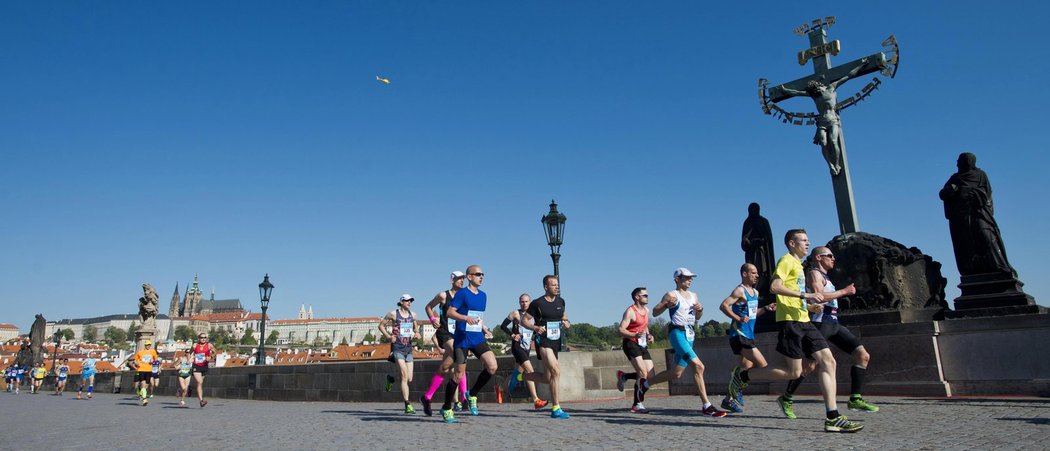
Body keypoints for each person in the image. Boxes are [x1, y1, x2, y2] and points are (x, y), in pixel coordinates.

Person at [728, 229, 863, 433]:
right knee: (794, 372)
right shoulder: (786, 261)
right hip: (790, 323)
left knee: (828, 361)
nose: (807, 244)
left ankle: (832, 417)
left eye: (809, 240)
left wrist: (809, 307)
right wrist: (804, 296)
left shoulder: (799, 266)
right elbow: (774, 287)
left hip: (804, 320)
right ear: (792, 243)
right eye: (804, 241)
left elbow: (793, 298)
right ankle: (743, 376)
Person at [777, 246, 878, 413]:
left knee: (863, 355)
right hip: (820, 324)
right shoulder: (813, 274)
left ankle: (855, 399)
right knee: (810, 366)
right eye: (829, 256)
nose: (833, 259)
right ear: (818, 258)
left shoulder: (826, 277)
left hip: (834, 323)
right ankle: (786, 397)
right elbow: (820, 296)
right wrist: (844, 291)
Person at [637, 268, 727, 417]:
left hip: (690, 334)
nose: (690, 280)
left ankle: (645, 384)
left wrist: (700, 309)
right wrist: (666, 305)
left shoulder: (694, 295)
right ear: (677, 279)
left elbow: (698, 317)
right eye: (686, 278)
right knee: (699, 366)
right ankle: (707, 406)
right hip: (677, 333)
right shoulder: (672, 294)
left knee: (676, 373)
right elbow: (654, 312)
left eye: (691, 278)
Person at [777, 60, 867, 176]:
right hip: (822, 122)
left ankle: (837, 164)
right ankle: (830, 165)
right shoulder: (814, 95)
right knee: (823, 144)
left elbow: (848, 76)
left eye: (817, 89)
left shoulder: (831, 88)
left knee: (834, 141)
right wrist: (784, 90)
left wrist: (861, 65)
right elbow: (796, 92)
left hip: (833, 120)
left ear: (820, 86)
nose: (816, 92)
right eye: (814, 91)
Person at [939, 152, 1015, 276]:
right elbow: (942, 194)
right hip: (961, 217)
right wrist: (951, 190)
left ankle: (1000, 265)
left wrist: (975, 194)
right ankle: (972, 270)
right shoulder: (955, 178)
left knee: (987, 236)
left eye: (959, 160)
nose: (957, 163)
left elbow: (987, 194)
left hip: (978, 212)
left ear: (968, 162)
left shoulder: (980, 175)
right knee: (966, 244)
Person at [441, 265, 498, 423]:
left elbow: (478, 316)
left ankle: (471, 394)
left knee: (492, 366)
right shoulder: (462, 294)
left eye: (483, 274)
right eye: (478, 274)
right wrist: (465, 318)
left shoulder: (483, 296)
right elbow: (450, 312)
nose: (482, 277)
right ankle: (446, 408)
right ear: (469, 277)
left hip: (477, 337)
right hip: (462, 339)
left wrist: (484, 328)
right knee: (458, 376)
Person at [718, 263, 775, 412]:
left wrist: (767, 309)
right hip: (739, 335)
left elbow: (752, 314)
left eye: (757, 273)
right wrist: (737, 317)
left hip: (749, 335)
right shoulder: (739, 291)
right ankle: (736, 386)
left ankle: (727, 400)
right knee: (762, 364)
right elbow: (724, 306)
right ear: (744, 274)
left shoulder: (755, 293)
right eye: (753, 273)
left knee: (746, 368)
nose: (756, 276)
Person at [521, 275, 573, 419]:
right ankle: (556, 408)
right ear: (546, 287)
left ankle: (524, 376)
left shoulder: (561, 301)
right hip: (542, 341)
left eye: (558, 285)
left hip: (555, 341)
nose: (557, 287)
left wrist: (567, 323)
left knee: (547, 377)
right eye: (553, 285)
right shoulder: (537, 303)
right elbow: (524, 320)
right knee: (556, 371)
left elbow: (564, 317)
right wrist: (535, 327)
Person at [420, 271, 467, 416]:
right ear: (452, 280)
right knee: (460, 356)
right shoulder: (443, 295)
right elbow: (428, 307)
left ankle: (427, 397)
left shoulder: (464, 296)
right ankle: (464, 397)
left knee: (445, 367)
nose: (461, 281)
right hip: (444, 332)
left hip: (458, 332)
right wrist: (433, 320)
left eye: (463, 279)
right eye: (459, 279)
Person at [499, 294, 548, 409]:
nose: (524, 303)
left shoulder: (534, 315)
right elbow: (503, 326)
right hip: (517, 346)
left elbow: (538, 328)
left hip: (527, 347)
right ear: (519, 302)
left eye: (526, 301)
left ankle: (501, 389)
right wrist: (512, 335)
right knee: (530, 371)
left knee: (517, 372)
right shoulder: (515, 313)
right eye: (522, 301)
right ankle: (536, 400)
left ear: (530, 302)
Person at [615, 287, 655, 413]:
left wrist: (649, 335)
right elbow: (621, 330)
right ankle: (637, 404)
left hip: (642, 344)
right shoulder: (630, 312)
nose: (647, 297)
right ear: (637, 297)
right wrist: (633, 335)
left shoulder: (646, 310)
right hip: (631, 343)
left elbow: (644, 326)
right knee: (642, 373)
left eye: (647, 295)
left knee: (651, 376)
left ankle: (624, 376)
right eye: (645, 295)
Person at [381, 294, 419, 414]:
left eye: (411, 301)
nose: (409, 303)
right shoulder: (393, 314)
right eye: (407, 301)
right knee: (403, 375)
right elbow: (381, 325)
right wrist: (388, 336)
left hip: (408, 348)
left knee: (409, 378)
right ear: (401, 301)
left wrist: (417, 333)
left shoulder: (413, 315)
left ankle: (391, 378)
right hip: (397, 347)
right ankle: (407, 404)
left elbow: (415, 327)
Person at [189, 333, 216, 408]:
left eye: (205, 337)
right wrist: (189, 360)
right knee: (199, 382)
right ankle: (201, 401)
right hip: (196, 365)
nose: (203, 339)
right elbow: (189, 353)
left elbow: (214, 352)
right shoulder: (195, 345)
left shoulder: (209, 345)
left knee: (200, 383)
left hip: (204, 366)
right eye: (201, 337)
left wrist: (210, 357)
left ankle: (191, 387)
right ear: (199, 338)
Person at [133, 340, 159, 405]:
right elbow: (135, 361)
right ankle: (144, 400)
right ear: (145, 345)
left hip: (149, 370)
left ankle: (141, 391)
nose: (148, 346)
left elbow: (156, 360)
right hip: (141, 369)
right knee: (143, 385)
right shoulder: (140, 352)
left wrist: (153, 361)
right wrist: (137, 363)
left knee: (146, 385)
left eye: (149, 345)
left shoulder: (153, 352)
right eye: (147, 345)